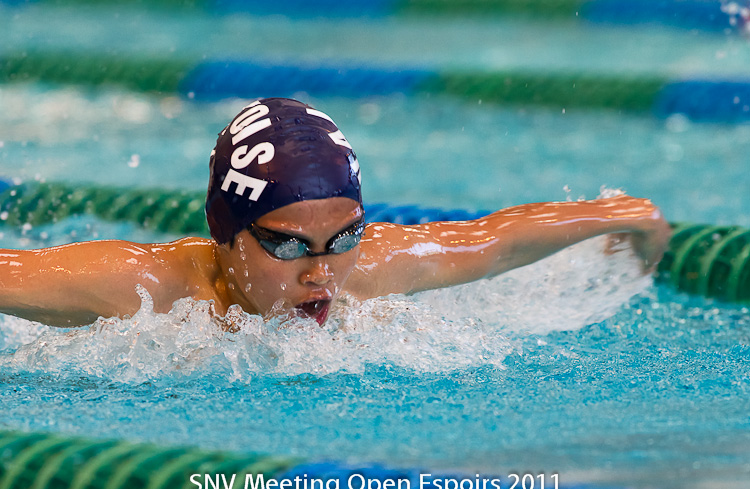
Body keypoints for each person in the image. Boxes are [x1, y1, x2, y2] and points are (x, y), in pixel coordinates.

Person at [0, 98, 671, 328]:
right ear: (225, 235)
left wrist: (624, 217)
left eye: (344, 237)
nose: (322, 274)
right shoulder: (145, 289)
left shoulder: (371, 268)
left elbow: (493, 240)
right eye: (289, 246)